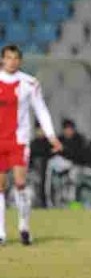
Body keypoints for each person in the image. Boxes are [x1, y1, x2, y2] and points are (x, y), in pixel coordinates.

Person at [0, 44, 62, 245]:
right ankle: (0, 233)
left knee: (19, 183)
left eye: (16, 58)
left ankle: (24, 227)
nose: (12, 62)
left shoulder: (30, 83)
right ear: (2, 59)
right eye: (8, 58)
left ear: (20, 60)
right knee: (0, 186)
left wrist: (52, 136)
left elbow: (41, 110)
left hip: (19, 140)